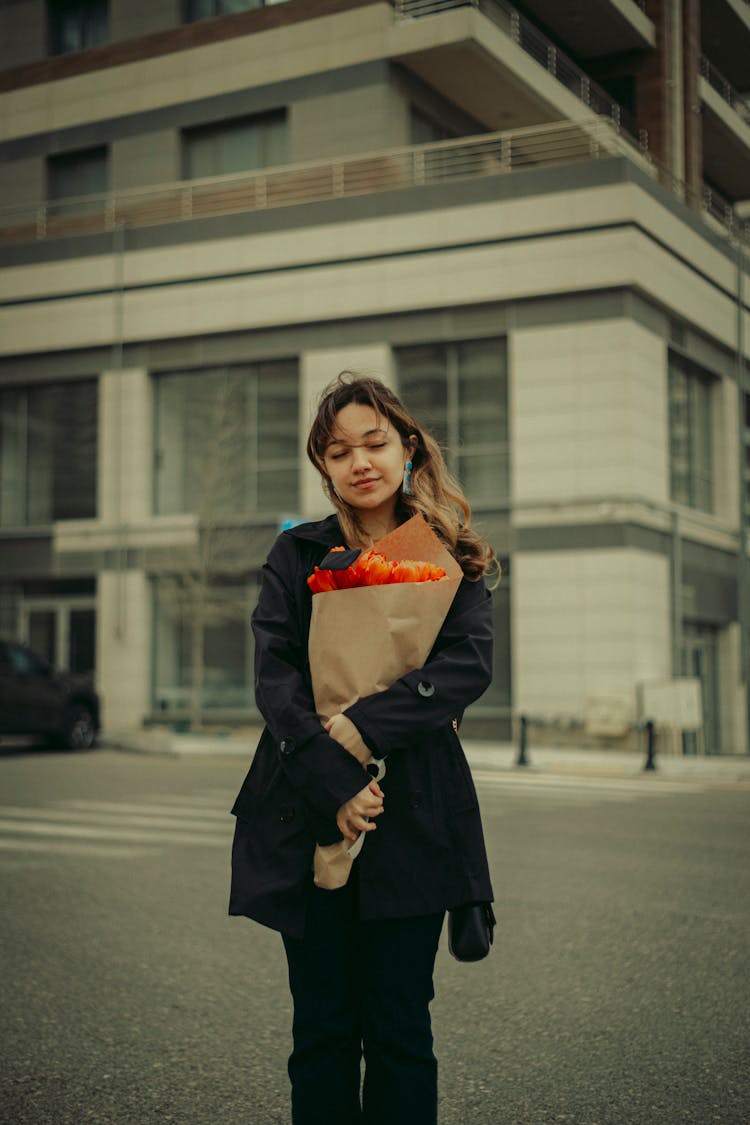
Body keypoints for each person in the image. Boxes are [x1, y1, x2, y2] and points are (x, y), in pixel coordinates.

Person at [229, 372, 497, 1124]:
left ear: (408, 449)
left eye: (375, 442)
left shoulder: (452, 556)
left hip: (412, 813)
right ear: (325, 466)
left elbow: (466, 667)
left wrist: (364, 726)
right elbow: (274, 676)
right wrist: (334, 773)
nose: (360, 462)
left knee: (401, 1029)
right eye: (339, 450)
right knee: (320, 1029)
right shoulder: (296, 553)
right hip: (308, 805)